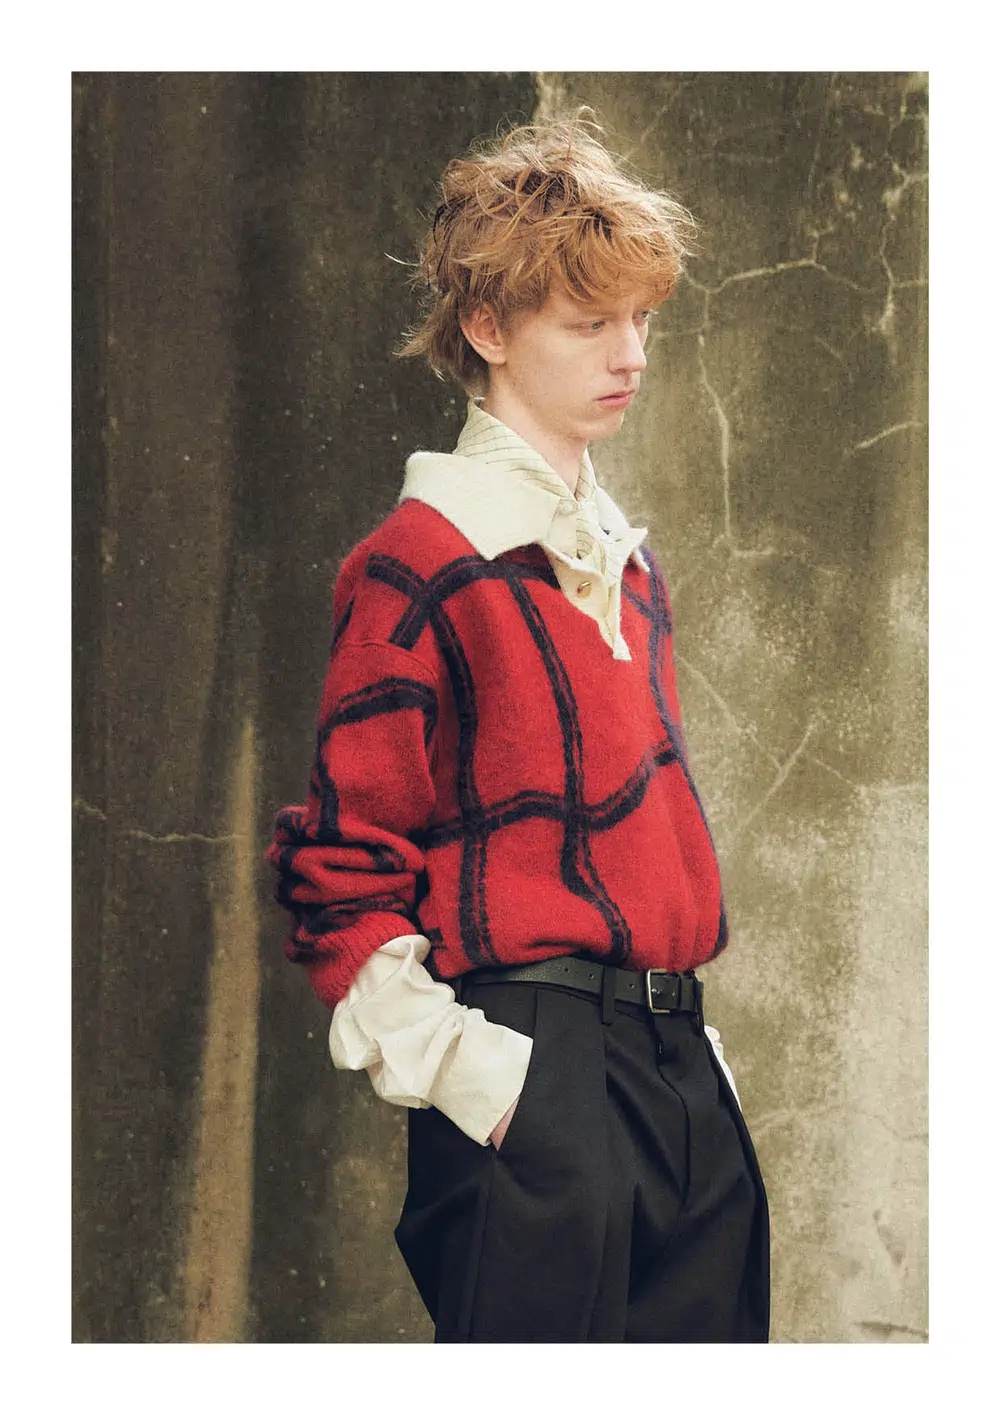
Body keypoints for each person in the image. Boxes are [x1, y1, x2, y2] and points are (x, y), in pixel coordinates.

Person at [268, 114, 770, 1343]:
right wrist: (490, 1082)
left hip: (678, 1071)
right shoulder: (418, 565)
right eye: (588, 322)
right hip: (536, 1071)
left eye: (641, 319)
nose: (630, 353)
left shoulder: (627, 569)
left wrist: (697, 1067)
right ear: (488, 328)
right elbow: (339, 873)